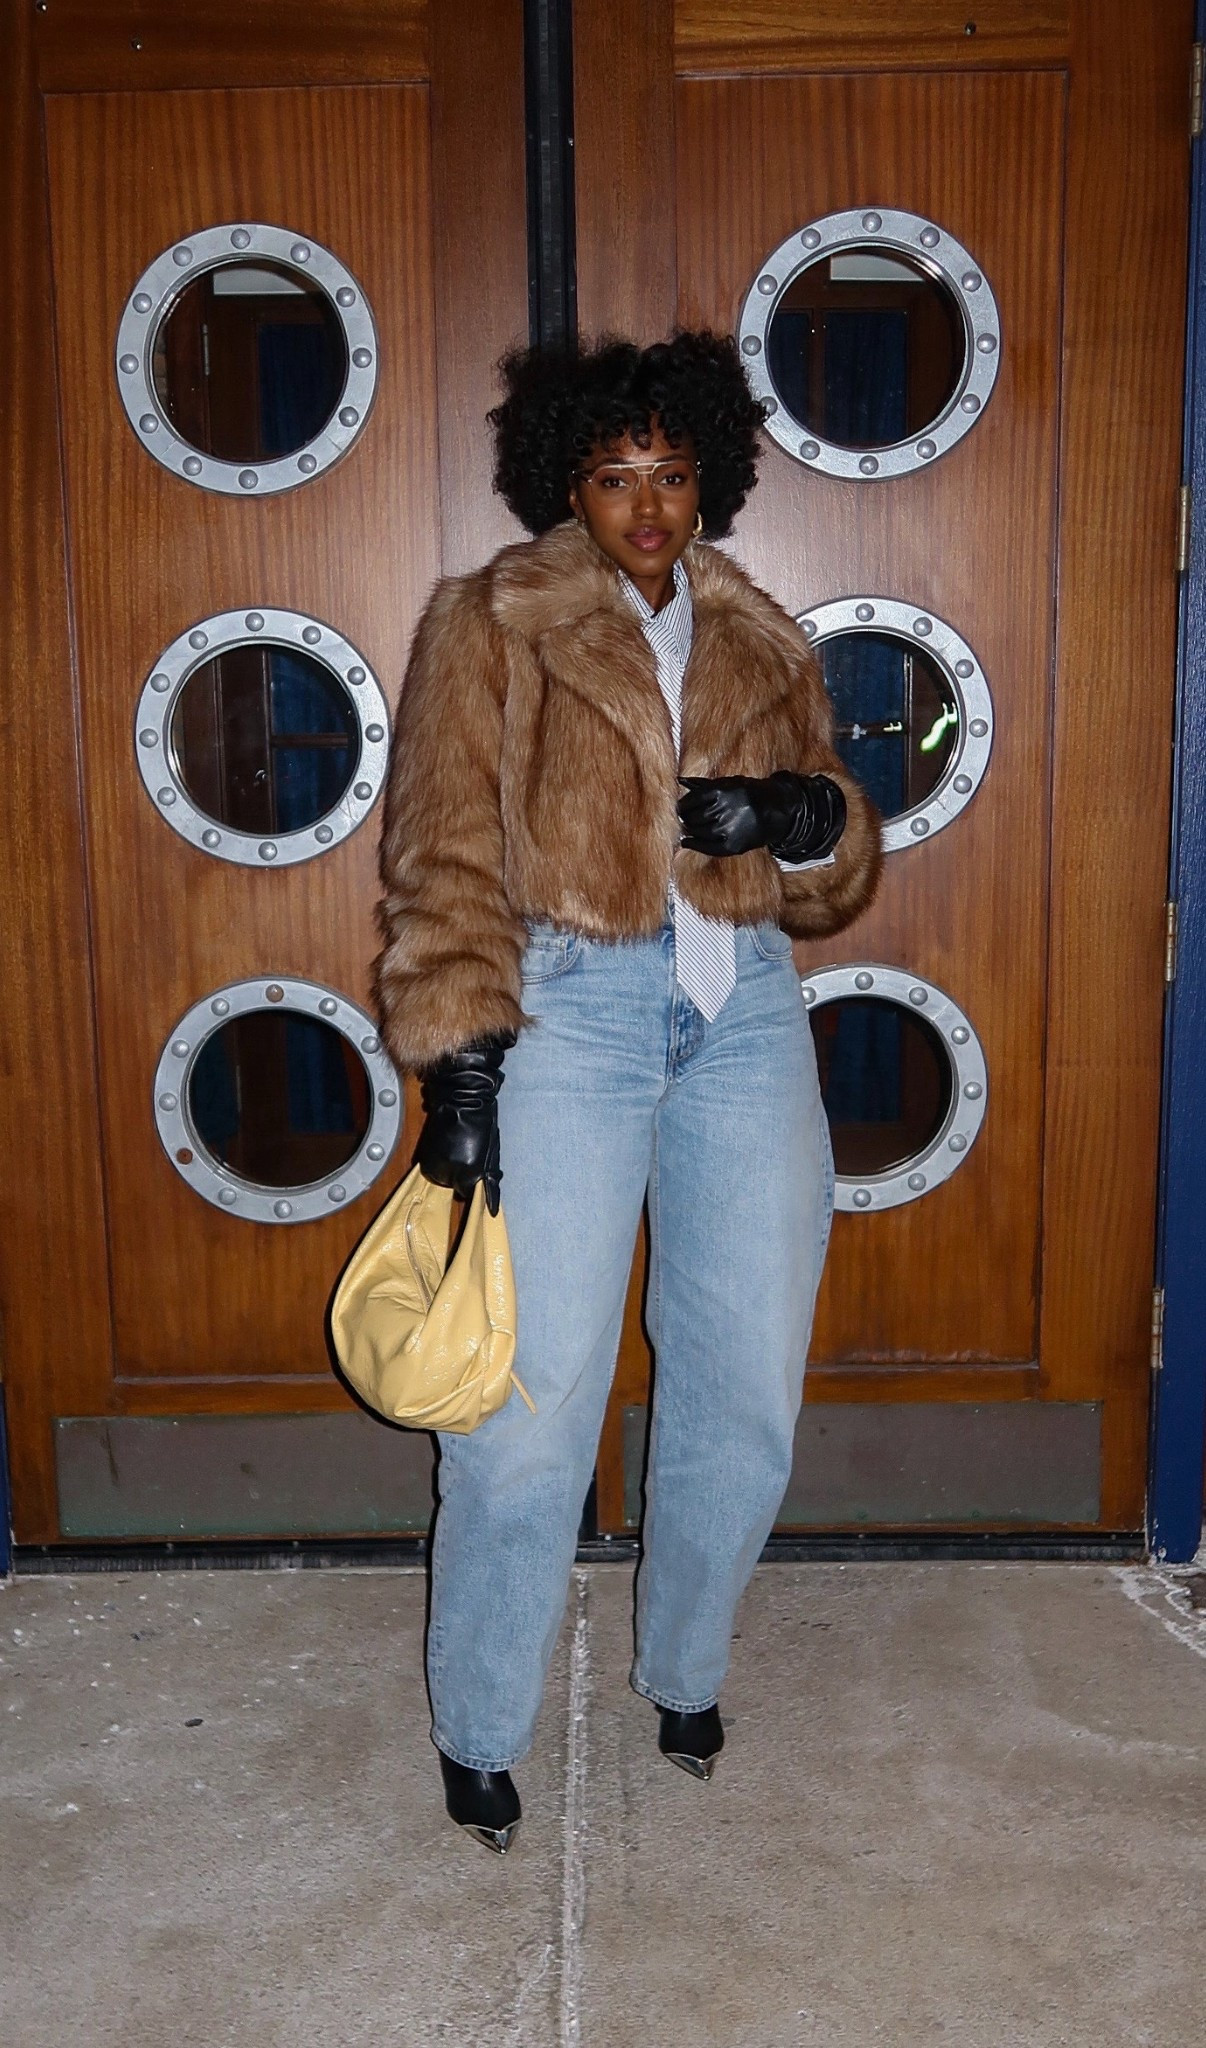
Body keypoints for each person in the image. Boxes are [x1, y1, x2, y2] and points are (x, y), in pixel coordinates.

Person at [374, 331, 881, 1854]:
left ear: (708, 476)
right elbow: (444, 851)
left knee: (744, 1379)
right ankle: (481, 1722)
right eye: (614, 475)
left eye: (671, 472)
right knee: (529, 1399)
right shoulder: (493, 621)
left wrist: (799, 814)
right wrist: (463, 1069)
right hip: (569, 1009)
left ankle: (686, 1669)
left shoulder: (762, 635)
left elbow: (829, 876)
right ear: (567, 484)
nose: (648, 505)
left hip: (745, 1009)